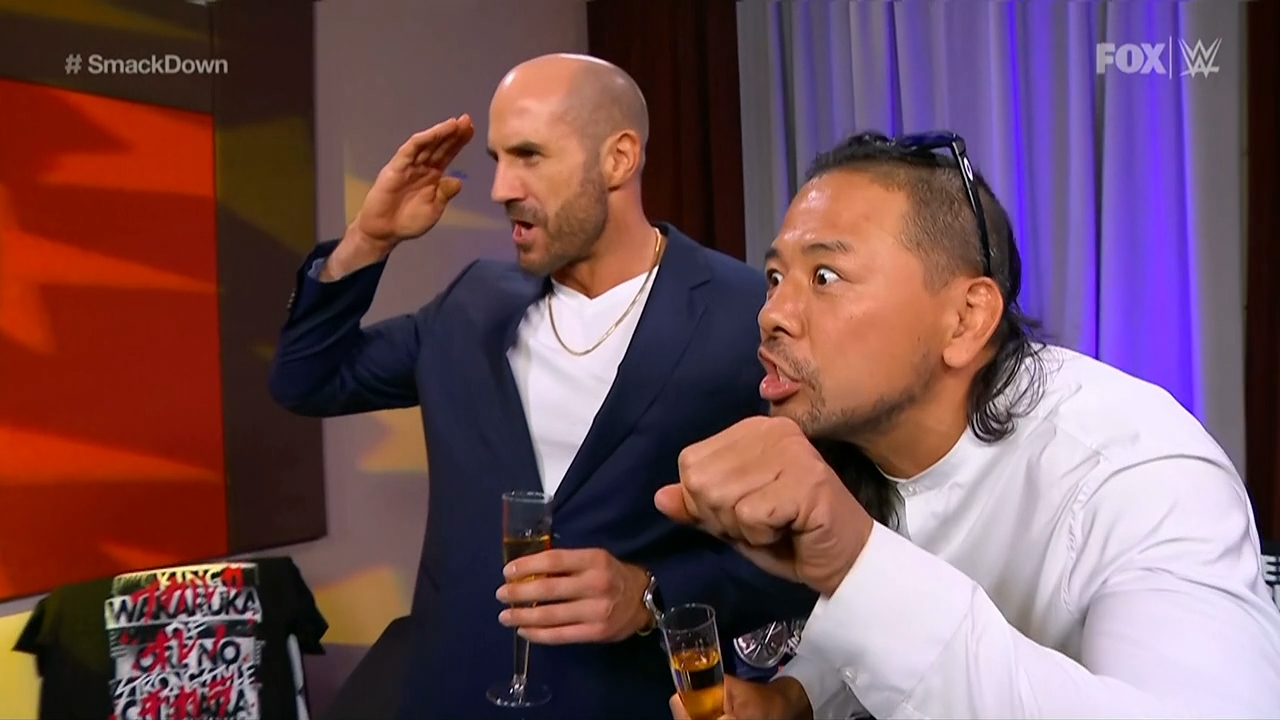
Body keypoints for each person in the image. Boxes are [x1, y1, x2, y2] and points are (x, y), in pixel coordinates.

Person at [267, 53, 816, 720]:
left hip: (627, 704)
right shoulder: (472, 302)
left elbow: (815, 552)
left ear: (618, 159)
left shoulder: (743, 313)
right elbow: (308, 379)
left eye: (528, 155)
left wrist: (650, 593)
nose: (500, 188)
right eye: (497, 159)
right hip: (452, 697)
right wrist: (368, 239)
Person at [658, 131, 1280, 719]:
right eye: (775, 278)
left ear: (965, 318)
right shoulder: (863, 444)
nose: (772, 313)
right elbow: (899, 620)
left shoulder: (1140, 475)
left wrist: (855, 562)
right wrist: (797, 700)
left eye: (825, 277)